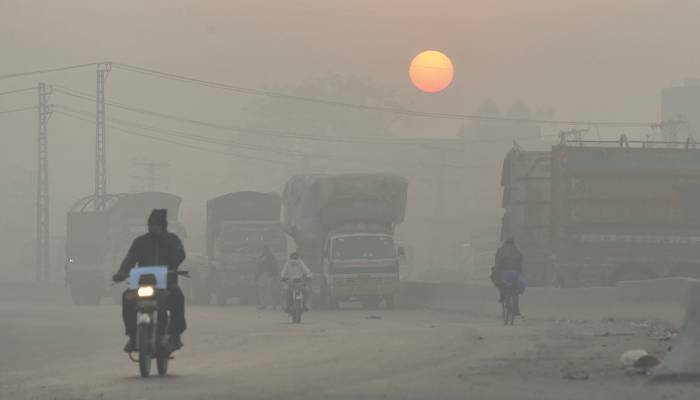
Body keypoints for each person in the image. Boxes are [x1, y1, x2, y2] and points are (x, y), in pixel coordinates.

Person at [112, 209, 187, 352]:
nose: (152, 227)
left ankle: (174, 334)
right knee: (127, 297)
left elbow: (179, 256)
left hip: (167, 284)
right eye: (150, 224)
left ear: (163, 226)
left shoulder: (173, 240)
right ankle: (133, 336)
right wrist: (121, 273)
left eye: (156, 225)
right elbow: (130, 259)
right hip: (142, 283)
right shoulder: (140, 242)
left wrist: (166, 243)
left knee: (177, 297)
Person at [491, 238, 525, 316]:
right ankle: (516, 310)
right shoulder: (517, 250)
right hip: (516, 273)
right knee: (515, 291)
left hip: (505, 273)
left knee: (498, 280)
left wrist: (498, 268)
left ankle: (502, 296)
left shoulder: (501, 250)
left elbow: (497, 261)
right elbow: (521, 261)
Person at [256, 245, 279, 310]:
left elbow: (275, 267)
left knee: (270, 290)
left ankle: (273, 305)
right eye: (263, 250)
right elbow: (257, 267)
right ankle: (263, 305)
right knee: (261, 290)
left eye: (265, 250)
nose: (263, 251)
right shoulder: (260, 257)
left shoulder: (272, 257)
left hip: (270, 275)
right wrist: (256, 277)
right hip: (261, 275)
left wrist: (275, 276)